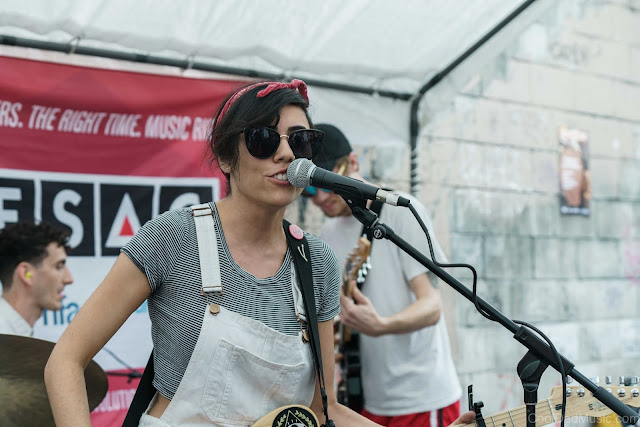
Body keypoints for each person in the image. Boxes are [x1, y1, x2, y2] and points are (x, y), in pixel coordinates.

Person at [45, 79, 399, 427]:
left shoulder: (316, 261)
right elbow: (66, 360)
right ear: (226, 158)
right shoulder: (173, 237)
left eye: (301, 141)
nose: (287, 154)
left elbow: (323, 410)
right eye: (264, 139)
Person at [306, 123, 463, 427]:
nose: (319, 198)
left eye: (326, 183)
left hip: (420, 396)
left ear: (353, 162)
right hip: (365, 398)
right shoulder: (327, 234)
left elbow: (432, 306)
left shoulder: (400, 211)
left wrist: (382, 326)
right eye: (309, 190)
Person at [0, 220, 73, 336]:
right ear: (26, 273)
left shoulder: (18, 333)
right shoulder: (5, 332)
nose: (69, 279)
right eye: (58, 266)